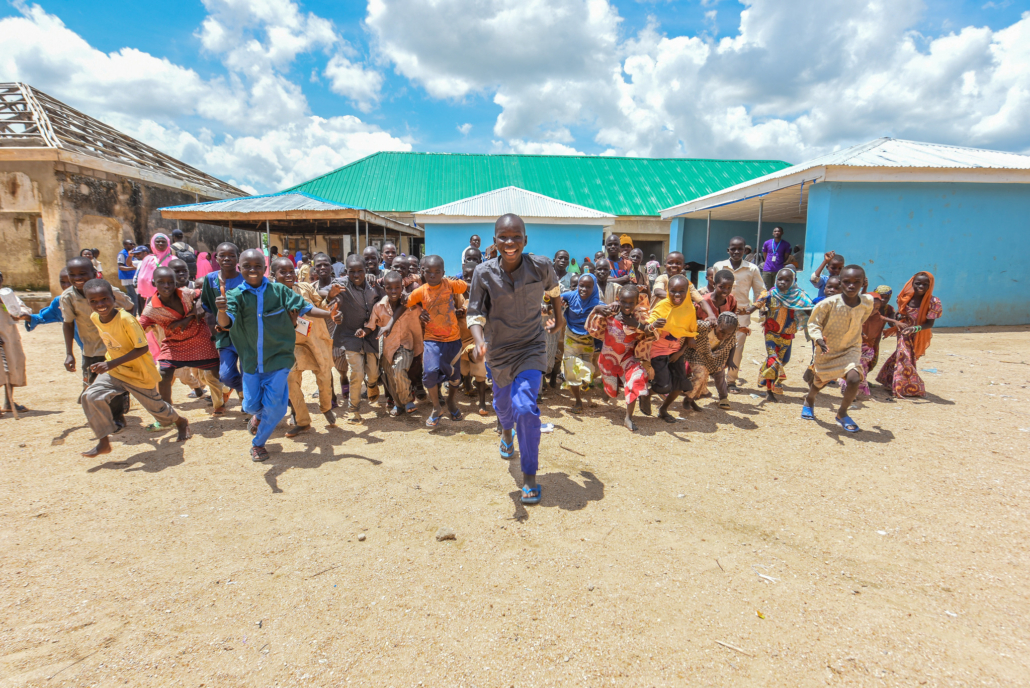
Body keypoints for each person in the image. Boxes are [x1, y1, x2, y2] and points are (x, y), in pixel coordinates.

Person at [467, 214, 564, 506]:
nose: (510, 243)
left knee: (525, 406)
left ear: (525, 239)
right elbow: (474, 313)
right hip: (498, 350)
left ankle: (530, 476)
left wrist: (558, 321)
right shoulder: (483, 273)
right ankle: (506, 433)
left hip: (532, 346)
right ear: (494, 241)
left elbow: (555, 292)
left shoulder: (541, 266)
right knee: (503, 406)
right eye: (503, 237)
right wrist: (479, 341)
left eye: (516, 237)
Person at [216, 249, 331, 461]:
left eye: (258, 266)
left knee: (277, 410)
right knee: (250, 405)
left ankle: (258, 444)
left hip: (279, 360)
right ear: (240, 268)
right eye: (247, 266)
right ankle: (258, 417)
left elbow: (305, 308)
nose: (253, 270)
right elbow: (225, 323)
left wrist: (329, 313)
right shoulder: (235, 296)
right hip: (251, 362)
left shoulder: (279, 292)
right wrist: (221, 310)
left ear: (264, 268)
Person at [78, 279, 191, 456]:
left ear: (113, 298)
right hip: (115, 371)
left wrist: (110, 363)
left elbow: (142, 348)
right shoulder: (95, 317)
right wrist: (108, 364)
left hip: (139, 374)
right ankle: (104, 442)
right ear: (88, 302)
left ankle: (180, 422)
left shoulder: (127, 320)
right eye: (94, 301)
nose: (100, 304)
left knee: (158, 410)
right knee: (90, 396)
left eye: (104, 299)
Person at [137, 266, 226, 414]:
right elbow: (138, 328)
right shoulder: (151, 309)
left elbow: (203, 296)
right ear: (153, 283)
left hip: (200, 341)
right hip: (174, 345)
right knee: (164, 374)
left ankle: (220, 401)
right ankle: (166, 410)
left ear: (175, 282)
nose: (166, 286)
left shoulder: (186, 293)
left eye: (170, 282)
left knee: (215, 374)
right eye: (161, 282)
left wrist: (189, 317)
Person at [61, 256, 134, 423]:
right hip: (91, 349)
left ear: (94, 274)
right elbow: (68, 324)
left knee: (114, 384)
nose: (77, 278)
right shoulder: (68, 297)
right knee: (91, 384)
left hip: (114, 349)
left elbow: (129, 306)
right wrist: (69, 353)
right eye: (72, 274)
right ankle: (99, 416)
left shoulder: (107, 290)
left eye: (82, 273)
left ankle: (117, 416)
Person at [270, 257, 336, 435]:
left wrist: (329, 298)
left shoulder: (305, 288)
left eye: (291, 271)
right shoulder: (271, 294)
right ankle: (302, 419)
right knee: (290, 380)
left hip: (315, 339)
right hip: (291, 344)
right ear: (272, 274)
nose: (289, 275)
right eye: (283, 272)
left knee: (323, 375)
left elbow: (320, 304)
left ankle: (326, 407)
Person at [804, 265, 875, 432]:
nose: (851, 286)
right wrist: (819, 339)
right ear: (840, 282)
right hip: (828, 348)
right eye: (846, 282)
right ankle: (810, 398)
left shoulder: (867, 302)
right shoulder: (829, 303)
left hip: (851, 347)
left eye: (856, 282)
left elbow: (862, 319)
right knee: (821, 380)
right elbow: (814, 324)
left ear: (862, 283)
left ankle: (842, 413)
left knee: (854, 378)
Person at [403, 255, 467, 427]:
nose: (432, 275)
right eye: (428, 272)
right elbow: (406, 301)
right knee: (430, 373)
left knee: (455, 376)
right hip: (432, 339)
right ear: (423, 272)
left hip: (453, 339)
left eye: (437, 272)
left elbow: (465, 287)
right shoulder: (421, 291)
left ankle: (451, 401)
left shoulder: (450, 284)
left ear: (443, 273)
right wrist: (418, 309)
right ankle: (436, 407)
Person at [322, 255, 383, 423]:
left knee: (373, 373)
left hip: (370, 334)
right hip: (350, 335)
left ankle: (371, 386)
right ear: (346, 272)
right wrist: (330, 295)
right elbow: (323, 292)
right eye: (352, 272)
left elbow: (383, 297)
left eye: (360, 271)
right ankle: (353, 410)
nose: (356, 275)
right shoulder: (341, 285)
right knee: (356, 372)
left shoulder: (372, 284)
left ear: (366, 270)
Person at [587, 285, 650, 431]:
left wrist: (636, 325)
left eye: (631, 302)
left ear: (636, 302)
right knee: (611, 392)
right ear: (618, 300)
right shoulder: (610, 313)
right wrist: (597, 309)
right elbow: (591, 327)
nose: (627, 306)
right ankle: (608, 392)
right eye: (624, 302)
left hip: (628, 358)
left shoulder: (639, 316)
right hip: (608, 360)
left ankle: (628, 418)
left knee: (637, 379)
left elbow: (650, 333)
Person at [365, 270, 423, 417]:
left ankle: (408, 400)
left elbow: (422, 312)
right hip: (387, 347)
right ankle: (398, 404)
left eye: (397, 287)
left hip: (406, 345)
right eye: (389, 288)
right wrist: (363, 332)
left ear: (402, 287)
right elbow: (371, 325)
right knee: (390, 377)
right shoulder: (379, 307)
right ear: (384, 288)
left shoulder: (410, 304)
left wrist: (423, 313)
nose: (393, 291)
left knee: (399, 369)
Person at [876, 272, 942, 399]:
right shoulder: (905, 298)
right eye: (918, 283)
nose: (921, 287)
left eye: (925, 284)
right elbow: (898, 315)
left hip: (918, 334)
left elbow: (929, 323)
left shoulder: (933, 302)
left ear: (930, 285)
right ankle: (902, 388)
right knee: (904, 356)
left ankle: (889, 380)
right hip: (904, 332)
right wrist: (899, 318)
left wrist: (915, 328)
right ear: (912, 283)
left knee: (904, 357)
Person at [712, 237, 764, 391]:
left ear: (745, 250)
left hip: (741, 316)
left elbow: (761, 292)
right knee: (717, 345)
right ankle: (716, 376)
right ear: (728, 250)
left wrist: (753, 308)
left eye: (740, 249)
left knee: (736, 348)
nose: (736, 252)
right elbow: (713, 287)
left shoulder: (752, 269)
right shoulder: (719, 266)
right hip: (720, 313)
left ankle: (731, 381)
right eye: (733, 249)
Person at [753, 268, 813, 401]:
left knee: (784, 360)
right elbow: (758, 303)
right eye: (780, 279)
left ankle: (766, 374)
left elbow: (810, 310)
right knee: (773, 360)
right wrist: (750, 310)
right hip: (771, 333)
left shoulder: (798, 296)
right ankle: (770, 392)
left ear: (793, 281)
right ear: (776, 279)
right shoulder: (771, 294)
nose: (783, 282)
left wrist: (815, 324)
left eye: (787, 280)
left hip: (787, 334)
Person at [647, 275, 697, 423]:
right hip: (658, 351)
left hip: (676, 351)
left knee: (680, 384)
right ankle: (646, 394)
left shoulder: (689, 308)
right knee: (664, 385)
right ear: (667, 290)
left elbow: (691, 333)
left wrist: (680, 352)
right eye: (673, 290)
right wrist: (654, 324)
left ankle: (663, 409)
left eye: (682, 291)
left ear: (687, 291)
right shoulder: (662, 305)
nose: (677, 295)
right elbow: (649, 324)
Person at [200, 242, 245, 400]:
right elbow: (205, 304)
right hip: (224, 335)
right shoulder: (210, 279)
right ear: (216, 257)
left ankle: (253, 407)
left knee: (248, 372)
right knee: (225, 375)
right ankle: (248, 392)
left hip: (246, 335)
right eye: (223, 255)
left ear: (238, 258)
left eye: (232, 255)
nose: (227, 258)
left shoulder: (244, 280)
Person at [840, 285, 897, 397]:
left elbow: (888, 321)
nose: (884, 300)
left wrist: (897, 321)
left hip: (873, 342)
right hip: (858, 343)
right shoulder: (862, 311)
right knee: (856, 365)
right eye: (882, 297)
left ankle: (859, 383)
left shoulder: (886, 310)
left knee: (869, 364)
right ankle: (851, 387)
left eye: (887, 298)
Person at [560, 272, 600, 414]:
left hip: (587, 339)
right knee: (571, 370)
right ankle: (578, 401)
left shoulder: (596, 302)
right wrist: (557, 302)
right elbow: (555, 299)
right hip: (570, 337)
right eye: (581, 286)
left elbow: (607, 308)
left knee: (587, 372)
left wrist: (609, 307)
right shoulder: (571, 296)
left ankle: (583, 383)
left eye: (588, 287)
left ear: (594, 288)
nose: (583, 289)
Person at [683, 313, 739, 411]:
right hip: (697, 354)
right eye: (722, 332)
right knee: (701, 375)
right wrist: (690, 338)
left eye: (729, 334)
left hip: (715, 357)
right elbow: (688, 325)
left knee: (719, 373)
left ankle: (723, 397)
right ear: (717, 324)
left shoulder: (731, 334)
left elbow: (733, 344)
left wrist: (730, 360)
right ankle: (688, 399)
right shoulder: (704, 327)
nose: (725, 336)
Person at [0, 268, 32, 414]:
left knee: (11, 367)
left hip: (9, 337)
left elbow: (23, 310)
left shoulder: (7, 296)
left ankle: (8, 402)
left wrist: (18, 313)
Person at [454, 286, 489, 417]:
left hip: (476, 339)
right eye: (466, 277)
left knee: (479, 369)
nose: (468, 281)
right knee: (464, 369)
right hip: (459, 339)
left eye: (472, 277)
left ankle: (482, 403)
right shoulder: (456, 295)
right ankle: (468, 386)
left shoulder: (482, 295)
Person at [652, 252, 715, 320]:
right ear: (665, 266)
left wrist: (711, 315)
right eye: (670, 263)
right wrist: (678, 297)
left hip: (676, 319)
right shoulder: (662, 278)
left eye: (678, 263)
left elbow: (701, 300)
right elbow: (658, 291)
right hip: (658, 319)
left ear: (684, 266)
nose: (674, 265)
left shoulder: (686, 282)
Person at [136, 233, 174, 301]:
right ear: (153, 243)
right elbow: (142, 277)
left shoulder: (174, 259)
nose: (160, 243)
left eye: (163, 241)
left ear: (168, 243)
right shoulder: (147, 259)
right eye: (158, 241)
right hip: (151, 295)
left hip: (169, 294)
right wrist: (145, 293)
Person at [116, 238, 139, 313]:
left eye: (133, 244)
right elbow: (120, 267)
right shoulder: (122, 254)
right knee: (133, 297)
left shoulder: (134, 252)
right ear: (125, 245)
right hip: (127, 278)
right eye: (130, 244)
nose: (132, 245)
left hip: (134, 277)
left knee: (136, 297)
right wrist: (133, 268)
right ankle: (134, 314)